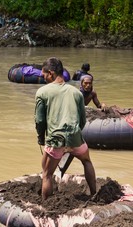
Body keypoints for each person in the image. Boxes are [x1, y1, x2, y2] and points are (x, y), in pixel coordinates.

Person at [34, 57, 96, 200]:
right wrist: (74, 135)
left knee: (47, 174)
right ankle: (94, 194)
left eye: (44, 75)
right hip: (75, 136)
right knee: (86, 161)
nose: (44, 78)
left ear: (51, 73)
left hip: (56, 138)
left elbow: (40, 120)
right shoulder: (75, 92)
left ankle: (47, 204)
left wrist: (41, 138)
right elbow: (82, 120)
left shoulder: (42, 92)